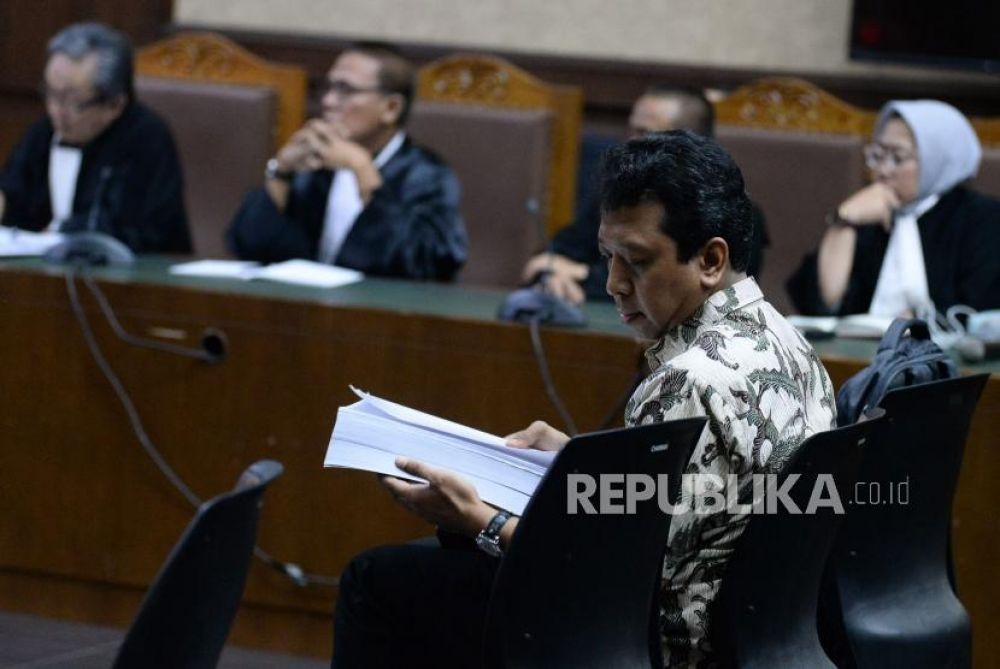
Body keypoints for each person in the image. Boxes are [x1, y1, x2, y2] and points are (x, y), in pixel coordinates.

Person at [331, 131, 836, 668]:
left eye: (636, 261)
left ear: (710, 260)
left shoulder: (688, 379)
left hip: (660, 649)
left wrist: (480, 519)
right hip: (762, 641)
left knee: (381, 579)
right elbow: (704, 502)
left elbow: (613, 585)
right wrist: (582, 459)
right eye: (606, 257)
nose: (614, 283)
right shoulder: (788, 340)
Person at [226, 43, 467, 281]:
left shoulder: (427, 175)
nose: (328, 101)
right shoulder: (315, 165)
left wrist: (362, 168)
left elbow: (428, 263)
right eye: (328, 87)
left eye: (346, 90)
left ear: (391, 108)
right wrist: (282, 170)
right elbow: (248, 245)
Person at [521, 86, 769, 304]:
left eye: (644, 132)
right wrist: (551, 273)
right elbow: (557, 254)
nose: (629, 143)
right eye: (631, 129)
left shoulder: (733, 215)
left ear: (688, 142)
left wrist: (581, 274)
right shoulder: (619, 198)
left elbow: (679, 289)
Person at [788, 99, 1000, 317]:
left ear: (938, 160)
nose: (882, 170)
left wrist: (919, 321)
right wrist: (845, 221)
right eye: (877, 156)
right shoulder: (868, 213)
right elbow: (820, 307)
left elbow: (981, 314)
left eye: (897, 158)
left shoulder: (983, 219)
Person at [0, 22, 191, 254]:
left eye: (71, 101)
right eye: (51, 94)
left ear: (114, 104)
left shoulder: (147, 139)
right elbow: (15, 196)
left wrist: (60, 232)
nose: (55, 111)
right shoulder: (45, 132)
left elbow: (133, 230)